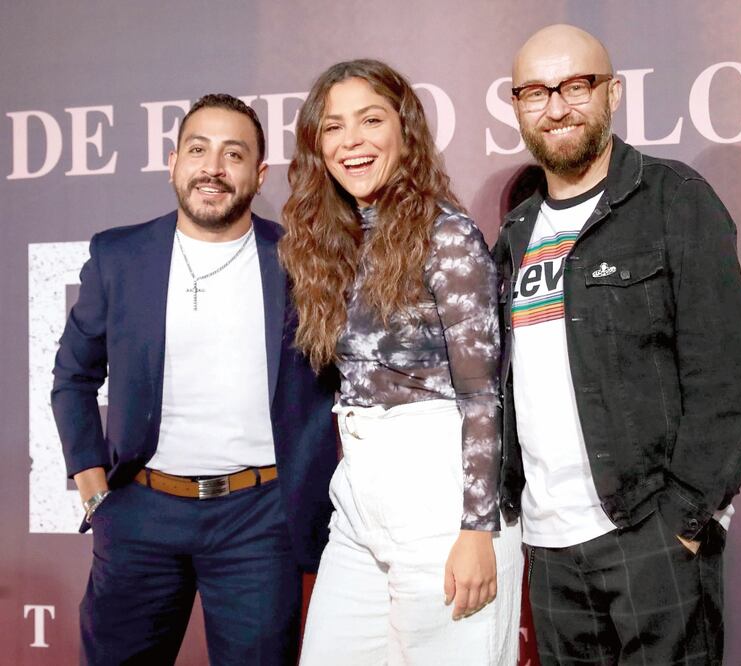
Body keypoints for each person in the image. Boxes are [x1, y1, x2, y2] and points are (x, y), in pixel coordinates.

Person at [494, 24, 741, 666]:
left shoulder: (675, 200)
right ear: (517, 107)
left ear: (612, 93)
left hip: (649, 532)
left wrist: (683, 522)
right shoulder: (515, 231)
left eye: (575, 85)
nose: (555, 107)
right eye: (536, 92)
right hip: (549, 544)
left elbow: (725, 377)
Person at [51, 93, 337, 665]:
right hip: (139, 510)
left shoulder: (299, 261)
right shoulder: (120, 255)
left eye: (233, 154)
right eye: (198, 149)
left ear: (258, 175)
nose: (213, 167)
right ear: (173, 161)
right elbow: (73, 374)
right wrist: (90, 479)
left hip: (258, 520)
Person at [279, 59, 523, 665]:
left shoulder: (447, 236)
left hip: (442, 496)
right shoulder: (333, 243)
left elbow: (483, 393)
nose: (351, 141)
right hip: (360, 495)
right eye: (333, 127)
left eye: (370, 120)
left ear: (405, 130)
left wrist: (477, 529)